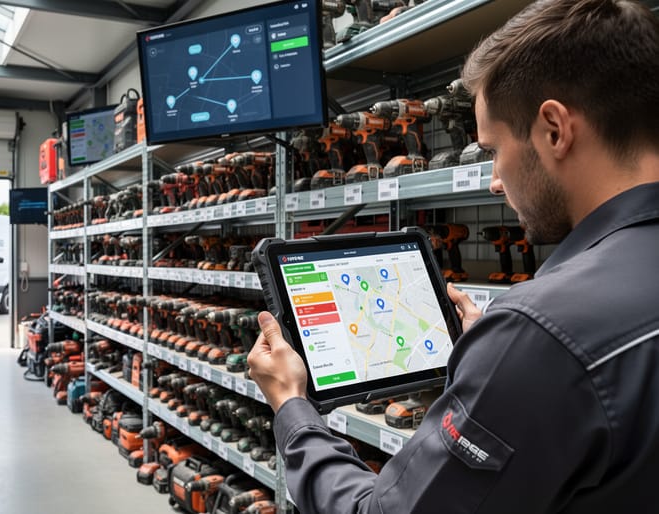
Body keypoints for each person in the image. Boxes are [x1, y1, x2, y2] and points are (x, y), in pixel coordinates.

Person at [247, 0, 659, 512]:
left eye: (492, 149)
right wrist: (497, 362)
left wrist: (291, 407)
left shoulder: (541, 333)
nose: (492, 180)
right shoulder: (541, 336)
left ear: (554, 129)